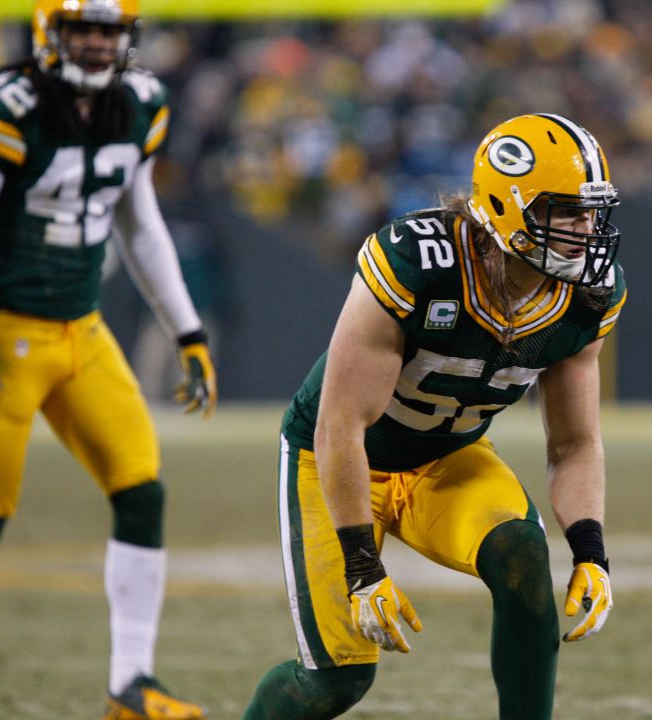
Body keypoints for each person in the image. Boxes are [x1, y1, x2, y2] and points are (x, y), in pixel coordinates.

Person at [243, 114, 626, 720]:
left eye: (592, 214)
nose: (585, 232)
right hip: (336, 460)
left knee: (522, 553)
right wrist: (362, 566)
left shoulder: (588, 294)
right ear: (506, 207)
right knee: (335, 682)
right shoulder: (419, 262)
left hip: (445, 456)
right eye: (566, 213)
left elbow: (575, 443)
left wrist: (591, 551)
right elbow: (340, 426)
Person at [0, 2, 216, 718]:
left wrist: (187, 330)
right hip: (3, 332)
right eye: (84, 29)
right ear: (52, 31)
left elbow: (141, 224)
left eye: (110, 30)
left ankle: (131, 683)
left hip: (82, 330)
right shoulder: (6, 107)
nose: (99, 43)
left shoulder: (139, 103)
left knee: (141, 489)